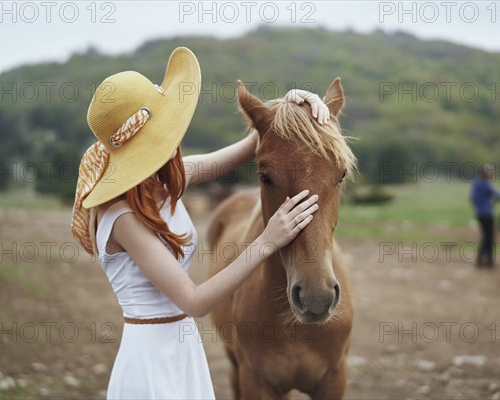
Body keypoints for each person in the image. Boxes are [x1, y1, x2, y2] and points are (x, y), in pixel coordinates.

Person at [70, 48, 330, 399]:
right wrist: (267, 240)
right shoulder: (122, 218)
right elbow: (193, 300)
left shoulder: (166, 181)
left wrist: (289, 107)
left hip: (182, 347)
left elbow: (251, 145)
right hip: (150, 359)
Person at [470, 164, 500, 268]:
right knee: (489, 238)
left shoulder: (476, 183)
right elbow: (499, 196)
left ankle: (481, 260)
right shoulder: (486, 184)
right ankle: (488, 261)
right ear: (485, 174)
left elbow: (473, 199)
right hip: (487, 214)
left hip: (479, 213)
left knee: (485, 237)